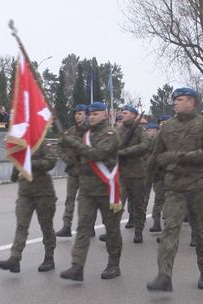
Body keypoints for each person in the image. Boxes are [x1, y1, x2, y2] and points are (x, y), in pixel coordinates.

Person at [146, 88, 203, 292]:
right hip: (175, 187)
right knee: (170, 230)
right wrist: (147, 179)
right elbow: (156, 155)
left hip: (200, 187)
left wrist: (178, 156)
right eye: (174, 100)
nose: (175, 103)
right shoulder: (167, 127)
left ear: (192, 102)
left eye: (180, 99)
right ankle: (164, 276)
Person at [60, 101, 122, 282]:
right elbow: (79, 154)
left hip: (107, 190)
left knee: (111, 229)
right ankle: (77, 266)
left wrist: (73, 143)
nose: (92, 117)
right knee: (83, 228)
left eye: (95, 114)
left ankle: (113, 264)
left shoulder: (111, 133)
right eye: (90, 114)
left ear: (105, 114)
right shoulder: (86, 134)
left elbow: (98, 154)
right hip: (87, 189)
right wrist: (70, 149)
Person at [0, 143, 57, 273]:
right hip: (25, 192)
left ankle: (49, 257)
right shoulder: (22, 146)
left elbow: (51, 161)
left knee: (46, 227)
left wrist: (29, 163)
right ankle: (15, 259)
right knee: (21, 225)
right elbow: (18, 164)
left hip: (43, 192)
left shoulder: (43, 144)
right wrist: (14, 173)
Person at [99, 105, 149, 243]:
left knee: (139, 206)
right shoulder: (118, 130)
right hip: (120, 174)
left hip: (137, 174)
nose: (123, 115)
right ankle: (111, 231)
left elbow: (145, 146)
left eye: (126, 113)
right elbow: (111, 146)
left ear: (134, 115)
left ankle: (138, 232)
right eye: (122, 113)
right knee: (116, 205)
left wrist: (124, 152)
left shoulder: (139, 131)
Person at [56, 104, 88, 237]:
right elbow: (59, 146)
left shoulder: (90, 131)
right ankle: (66, 225)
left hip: (86, 172)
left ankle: (86, 226)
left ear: (86, 114)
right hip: (73, 172)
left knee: (85, 201)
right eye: (76, 113)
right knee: (70, 199)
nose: (77, 116)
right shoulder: (71, 131)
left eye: (80, 113)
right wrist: (67, 159)